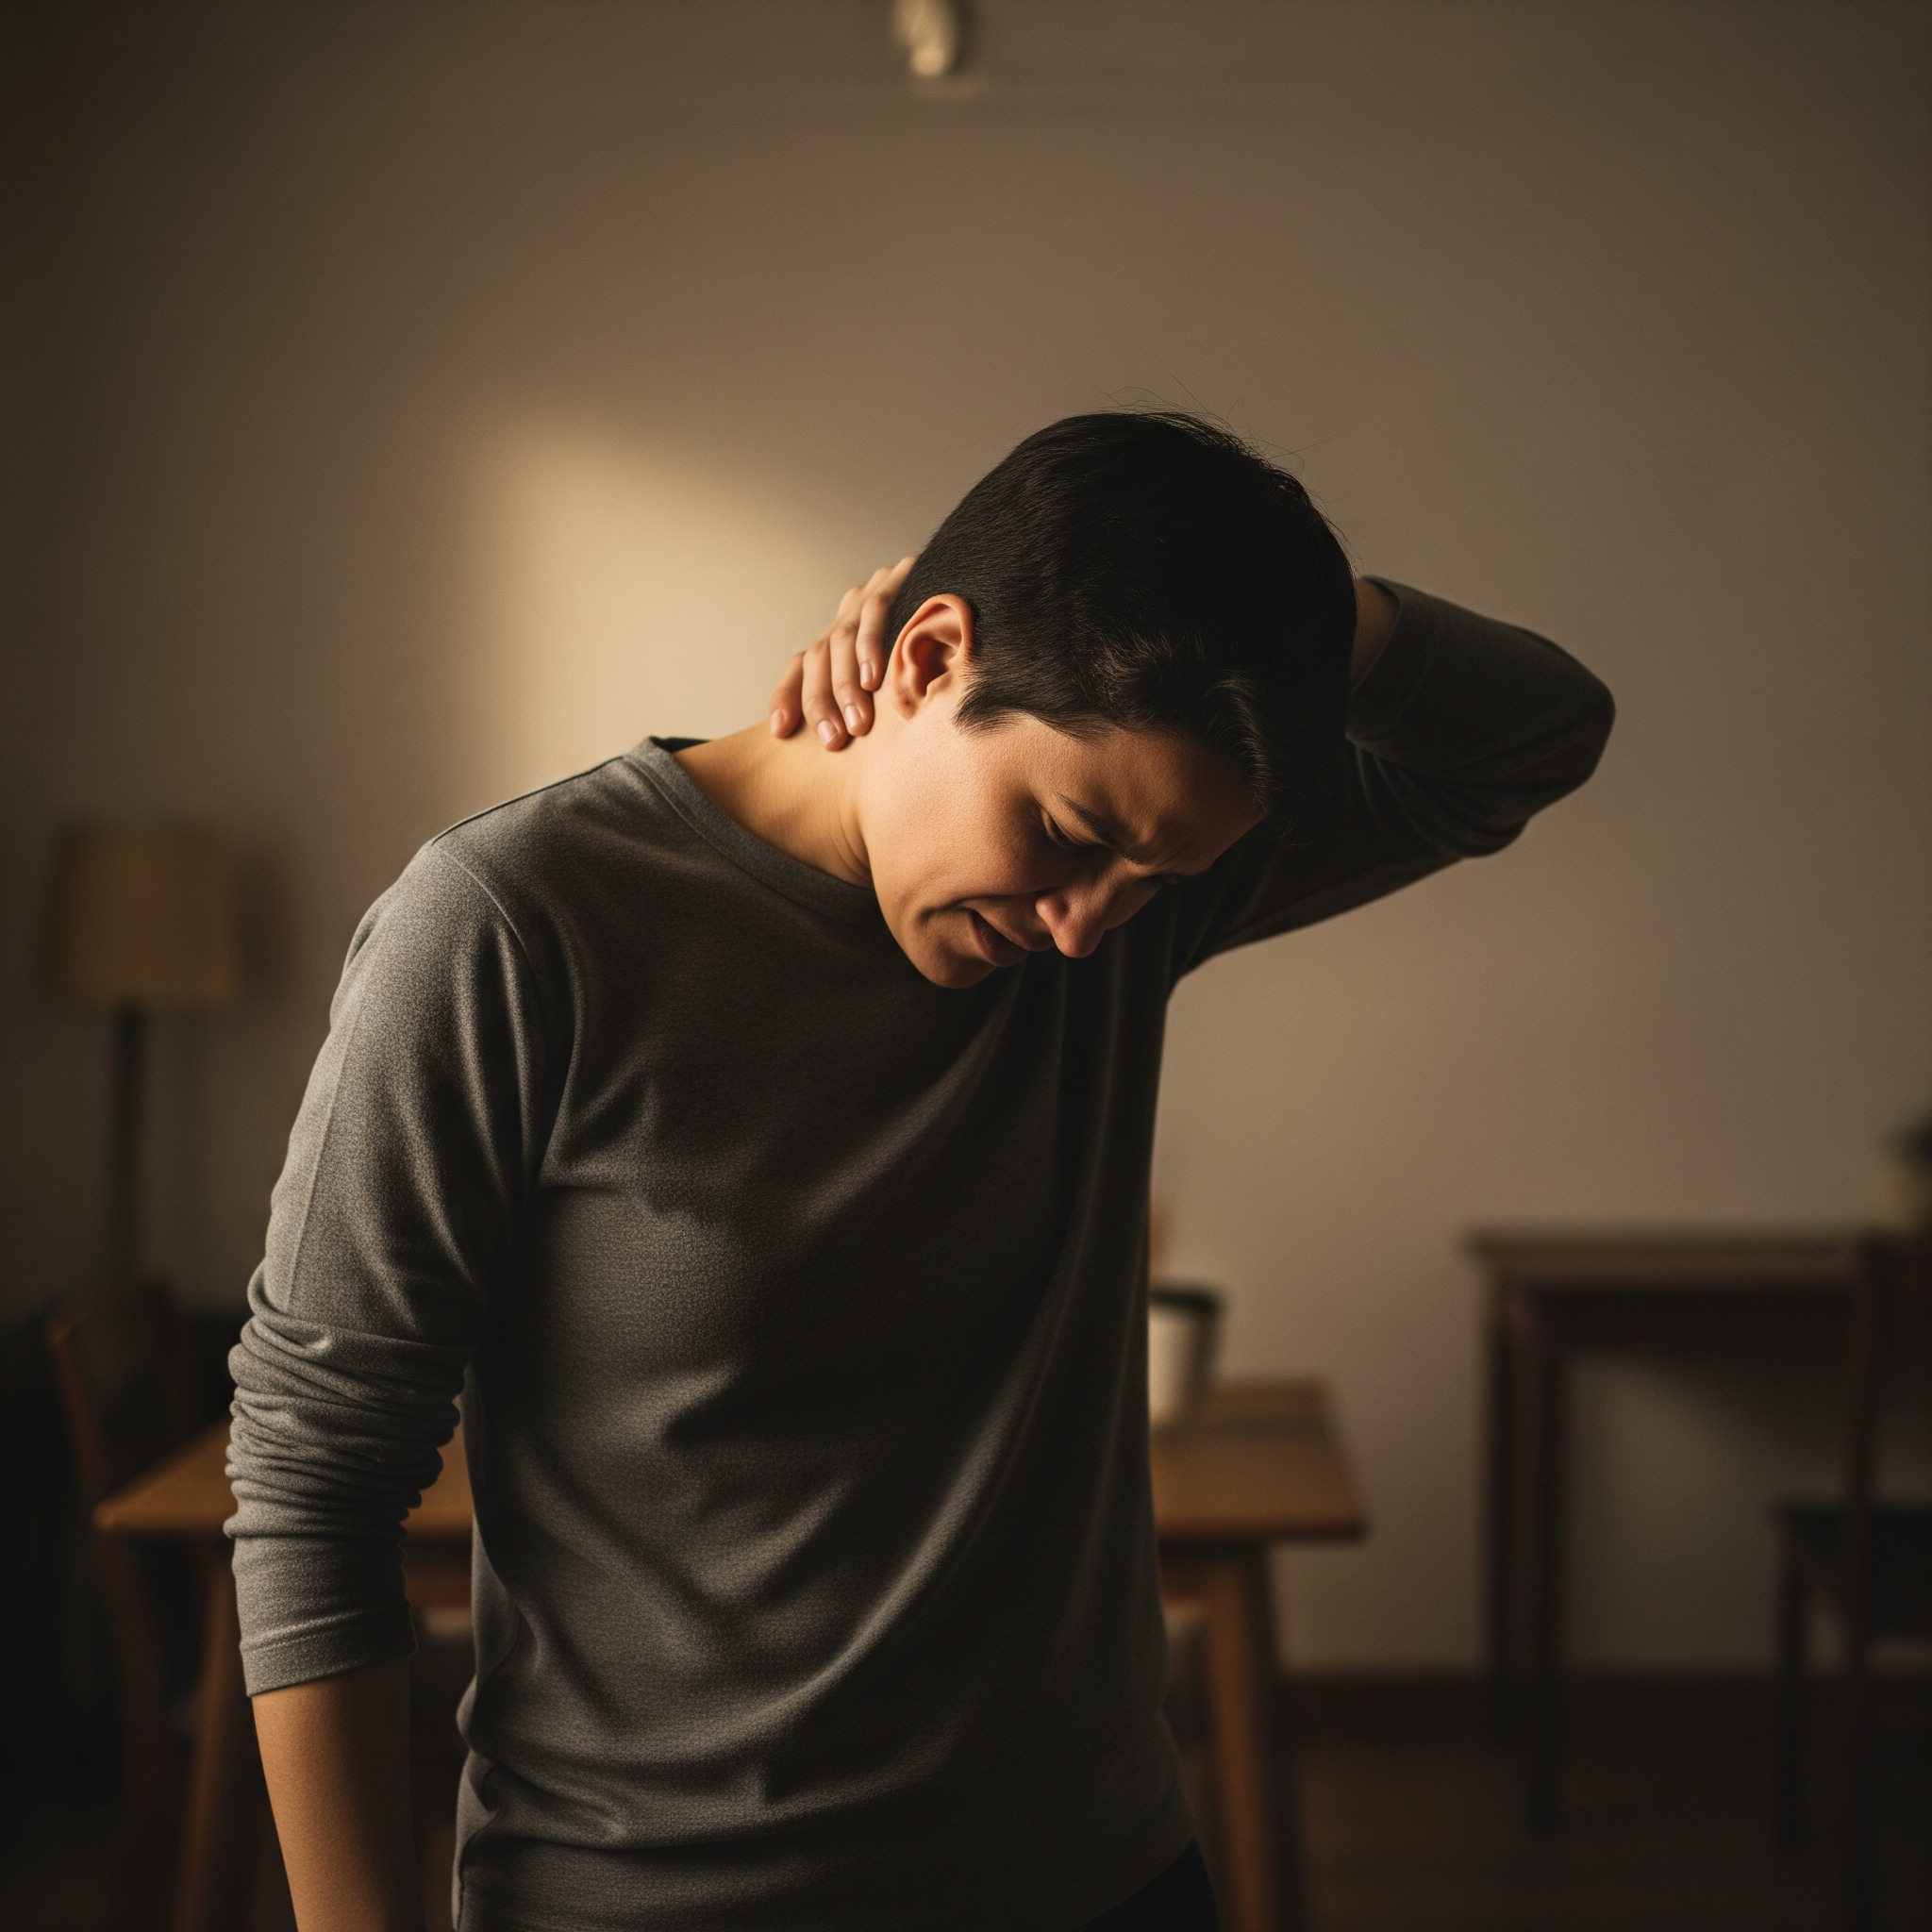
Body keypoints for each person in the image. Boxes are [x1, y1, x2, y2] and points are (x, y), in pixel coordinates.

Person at [229, 411, 1613, 1932]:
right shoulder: (513, 924)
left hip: (1106, 1880)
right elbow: (315, 1476)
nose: (1091, 928)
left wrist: (1264, 596)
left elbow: (1537, 733)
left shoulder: (1120, 913)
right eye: (1067, 834)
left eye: (1160, 880)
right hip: (660, 1902)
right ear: (921, 656)